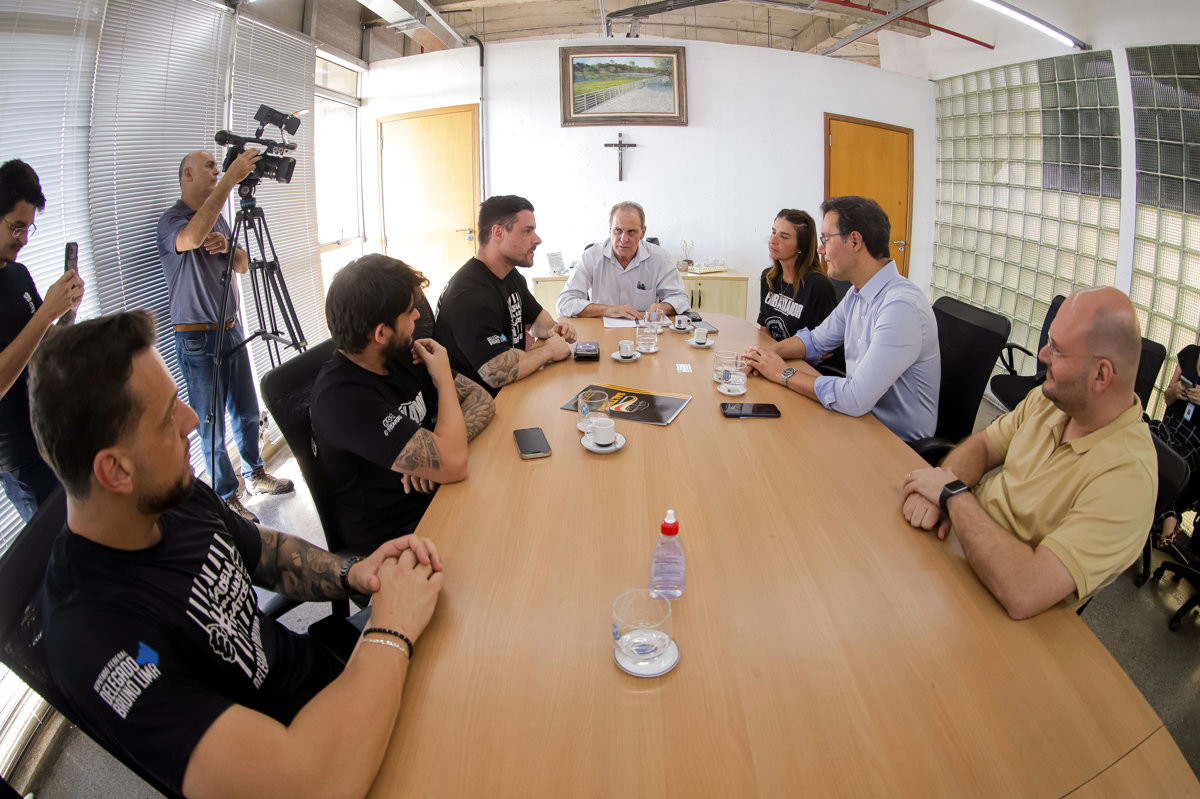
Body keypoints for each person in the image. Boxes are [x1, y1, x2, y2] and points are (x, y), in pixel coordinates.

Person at [31, 310, 444, 799]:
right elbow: (309, 783)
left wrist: (357, 572)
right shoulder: (95, 640)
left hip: (337, 676)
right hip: (318, 755)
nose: (191, 420)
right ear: (116, 470)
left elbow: (266, 554)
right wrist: (391, 628)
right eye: (167, 417)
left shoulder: (172, 495)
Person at [901, 288, 1156, 619]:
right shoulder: (1049, 401)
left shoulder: (1128, 479)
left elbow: (1025, 589)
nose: (1043, 355)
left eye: (1058, 350)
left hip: (1000, 610)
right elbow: (984, 446)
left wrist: (952, 495)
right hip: (958, 550)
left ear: (1101, 374)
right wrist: (943, 492)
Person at [311, 254, 496, 553]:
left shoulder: (397, 354)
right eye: (409, 312)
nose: (418, 317)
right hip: (393, 541)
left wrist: (432, 450)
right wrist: (443, 381)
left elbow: (482, 399)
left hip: (435, 498)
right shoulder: (343, 399)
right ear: (381, 333)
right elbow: (454, 463)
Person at [156, 149, 293, 523]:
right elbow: (191, 238)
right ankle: (227, 498)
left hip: (231, 330)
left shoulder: (217, 218)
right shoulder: (172, 221)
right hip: (197, 339)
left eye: (220, 168)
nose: (218, 172)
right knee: (210, 423)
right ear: (187, 174)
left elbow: (244, 264)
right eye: (210, 167)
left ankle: (255, 475)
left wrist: (229, 249)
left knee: (246, 411)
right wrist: (232, 179)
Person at [742, 195, 940, 442]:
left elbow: (855, 397)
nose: (820, 249)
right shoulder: (857, 294)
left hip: (893, 441)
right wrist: (763, 356)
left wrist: (783, 373)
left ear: (855, 241)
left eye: (825, 239)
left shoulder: (901, 306)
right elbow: (815, 341)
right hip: (858, 421)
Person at [0, 158, 83, 521]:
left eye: (28, 229)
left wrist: (67, 311)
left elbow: (46, 344)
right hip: (21, 457)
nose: (22, 240)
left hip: (54, 434)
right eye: (15, 228)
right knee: (57, 541)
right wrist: (45, 313)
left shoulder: (18, 273)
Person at [434, 195, 577, 396]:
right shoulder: (469, 294)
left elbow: (537, 321)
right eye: (527, 231)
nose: (537, 240)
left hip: (512, 390)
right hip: (484, 403)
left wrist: (556, 330)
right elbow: (496, 372)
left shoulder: (510, 274)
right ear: (498, 233)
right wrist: (549, 351)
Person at [555, 201, 689, 320]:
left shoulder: (660, 258)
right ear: (610, 230)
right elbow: (564, 303)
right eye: (618, 230)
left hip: (644, 331)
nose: (624, 239)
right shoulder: (591, 257)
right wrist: (609, 310)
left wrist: (663, 307)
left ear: (642, 232)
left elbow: (680, 298)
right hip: (600, 329)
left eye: (631, 232)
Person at [1148, 333, 1200, 557]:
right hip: (1171, 428)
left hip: (1194, 442)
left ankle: (1163, 518)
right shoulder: (1190, 354)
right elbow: (1167, 398)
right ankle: (1169, 517)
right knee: (1149, 431)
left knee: (1167, 462)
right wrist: (1174, 391)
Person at [756, 209, 837, 342]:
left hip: (804, 356)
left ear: (801, 246)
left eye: (784, 236)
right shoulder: (768, 277)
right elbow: (764, 331)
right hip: (774, 352)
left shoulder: (818, 285)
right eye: (774, 232)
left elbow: (826, 345)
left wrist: (775, 353)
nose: (773, 240)